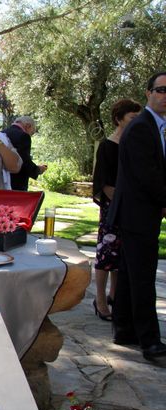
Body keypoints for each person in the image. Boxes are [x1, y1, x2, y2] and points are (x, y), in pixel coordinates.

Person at [107, 71, 166, 362]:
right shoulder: (143, 126)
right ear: (148, 93)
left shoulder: (156, 126)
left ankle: (125, 329)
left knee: (131, 274)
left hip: (139, 211)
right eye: (162, 90)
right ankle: (151, 342)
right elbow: (148, 176)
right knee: (142, 276)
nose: (165, 96)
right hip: (138, 211)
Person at [91, 99, 142, 322]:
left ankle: (115, 297)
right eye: (132, 117)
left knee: (122, 258)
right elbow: (102, 183)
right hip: (113, 210)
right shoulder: (107, 146)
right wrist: (122, 201)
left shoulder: (137, 146)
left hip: (133, 210)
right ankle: (100, 300)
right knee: (106, 255)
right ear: (119, 118)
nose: (136, 122)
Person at [3, 116, 47, 191]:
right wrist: (38, 170)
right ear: (28, 126)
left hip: (2, 181)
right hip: (17, 184)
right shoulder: (23, 136)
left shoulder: (2, 133)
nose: (30, 135)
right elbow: (24, 162)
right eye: (31, 133)